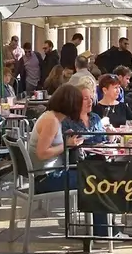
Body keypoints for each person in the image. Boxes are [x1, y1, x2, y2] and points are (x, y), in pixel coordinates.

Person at [27, 84, 112, 237]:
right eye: (79, 101)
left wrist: (67, 141)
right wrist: (67, 144)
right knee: (94, 180)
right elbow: (42, 153)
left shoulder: (52, 117)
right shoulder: (51, 121)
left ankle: (101, 227)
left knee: (94, 172)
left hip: (48, 174)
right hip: (45, 178)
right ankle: (103, 231)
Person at [61, 81, 106, 145]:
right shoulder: (66, 121)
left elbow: (104, 139)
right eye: (85, 99)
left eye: (91, 98)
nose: (90, 101)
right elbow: (64, 144)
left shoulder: (96, 118)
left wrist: (111, 136)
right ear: (75, 101)